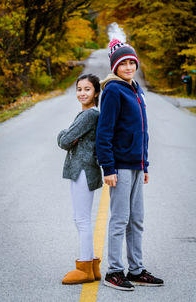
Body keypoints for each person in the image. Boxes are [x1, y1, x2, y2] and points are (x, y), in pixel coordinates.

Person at [96, 39, 164, 291]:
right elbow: (105, 132)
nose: (127, 66)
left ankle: (135, 269)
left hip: (136, 165)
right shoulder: (114, 90)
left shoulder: (135, 89)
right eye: (122, 63)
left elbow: (142, 130)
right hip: (121, 166)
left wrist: (144, 165)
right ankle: (114, 271)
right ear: (114, 66)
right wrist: (108, 168)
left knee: (137, 219)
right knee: (120, 219)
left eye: (131, 62)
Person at [57, 74, 103, 284]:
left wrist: (64, 135)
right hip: (83, 170)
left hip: (83, 170)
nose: (82, 93)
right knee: (82, 218)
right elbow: (69, 139)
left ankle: (85, 266)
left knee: (82, 219)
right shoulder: (88, 114)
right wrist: (68, 136)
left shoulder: (89, 115)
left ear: (96, 92)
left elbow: (65, 140)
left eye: (87, 89)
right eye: (79, 89)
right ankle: (92, 267)